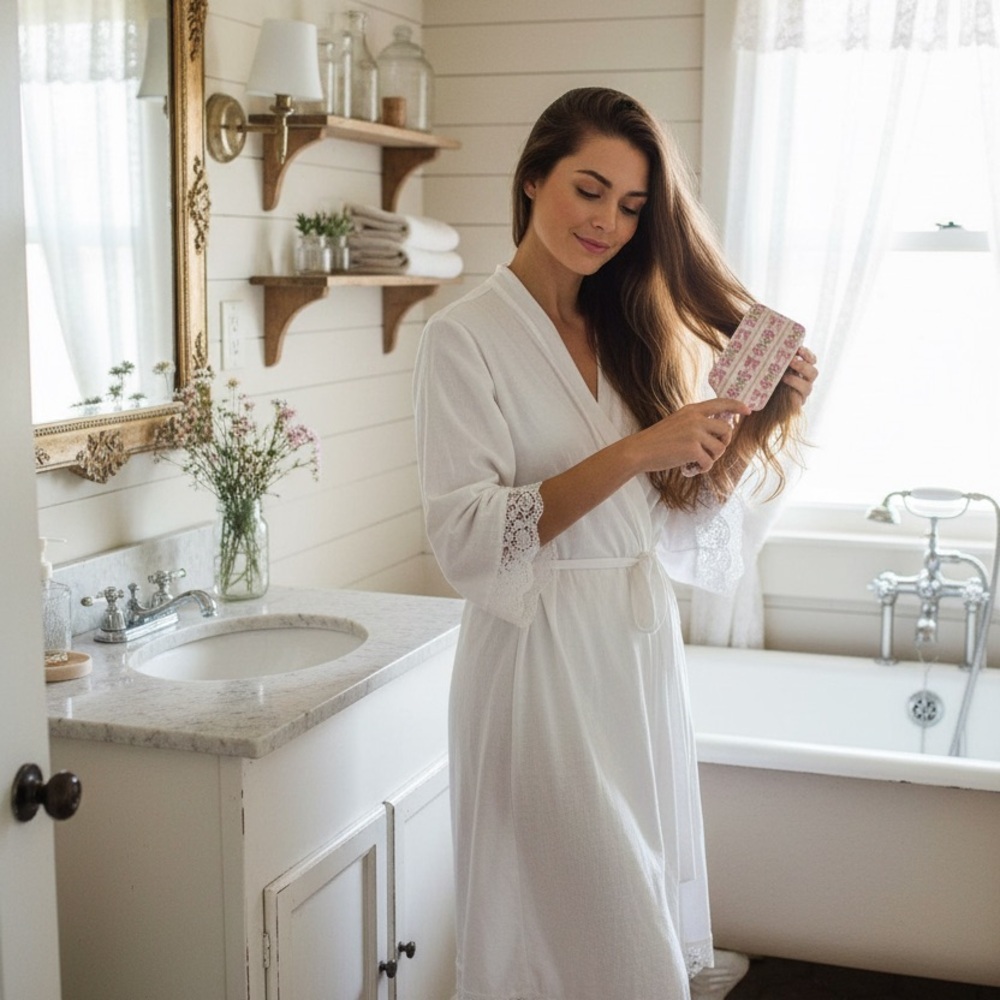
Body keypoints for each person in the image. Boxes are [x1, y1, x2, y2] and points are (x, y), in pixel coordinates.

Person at [413, 87, 818, 1000]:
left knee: (614, 930)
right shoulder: (462, 338)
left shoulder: (631, 328)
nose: (608, 223)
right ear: (533, 178)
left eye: (633, 207)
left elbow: (667, 518)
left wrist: (758, 420)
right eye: (589, 190)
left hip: (633, 660)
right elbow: (469, 535)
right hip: (538, 663)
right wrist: (638, 448)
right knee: (608, 943)